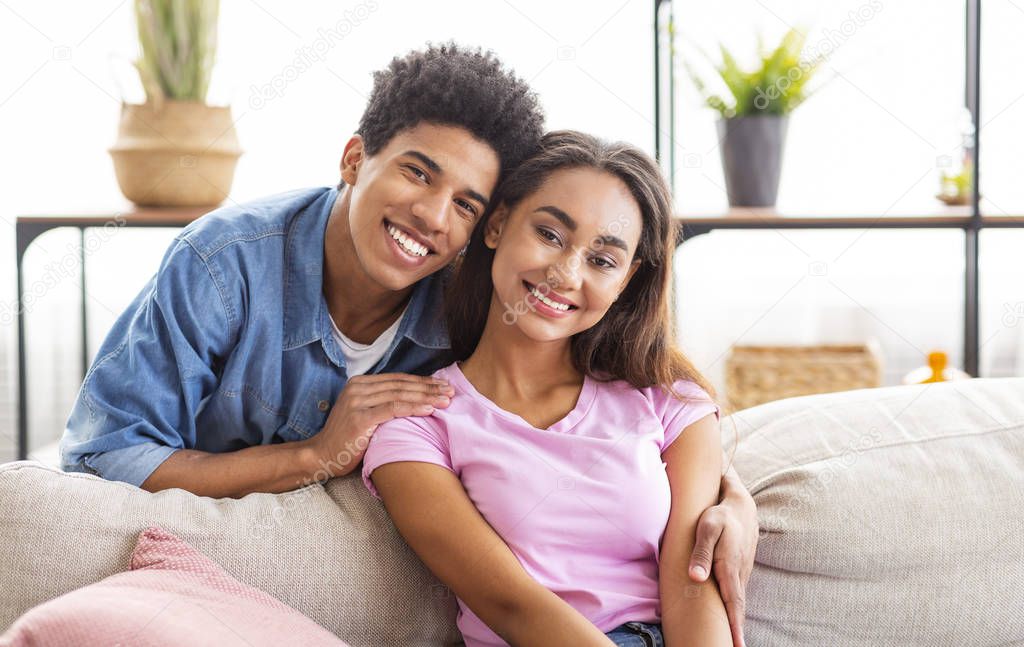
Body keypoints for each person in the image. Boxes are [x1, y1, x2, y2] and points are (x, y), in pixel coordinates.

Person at [59, 44, 756, 641]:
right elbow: (104, 453)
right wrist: (308, 455)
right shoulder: (223, 265)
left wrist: (728, 491)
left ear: (486, 224)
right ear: (355, 157)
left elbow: (615, 420)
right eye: (418, 173)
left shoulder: (467, 294)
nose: (430, 216)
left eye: (466, 203)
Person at [363, 130, 741, 647]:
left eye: (602, 260)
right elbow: (512, 604)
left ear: (626, 280)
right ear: (497, 224)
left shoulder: (670, 400)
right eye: (549, 234)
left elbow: (691, 580)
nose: (565, 273)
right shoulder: (414, 425)